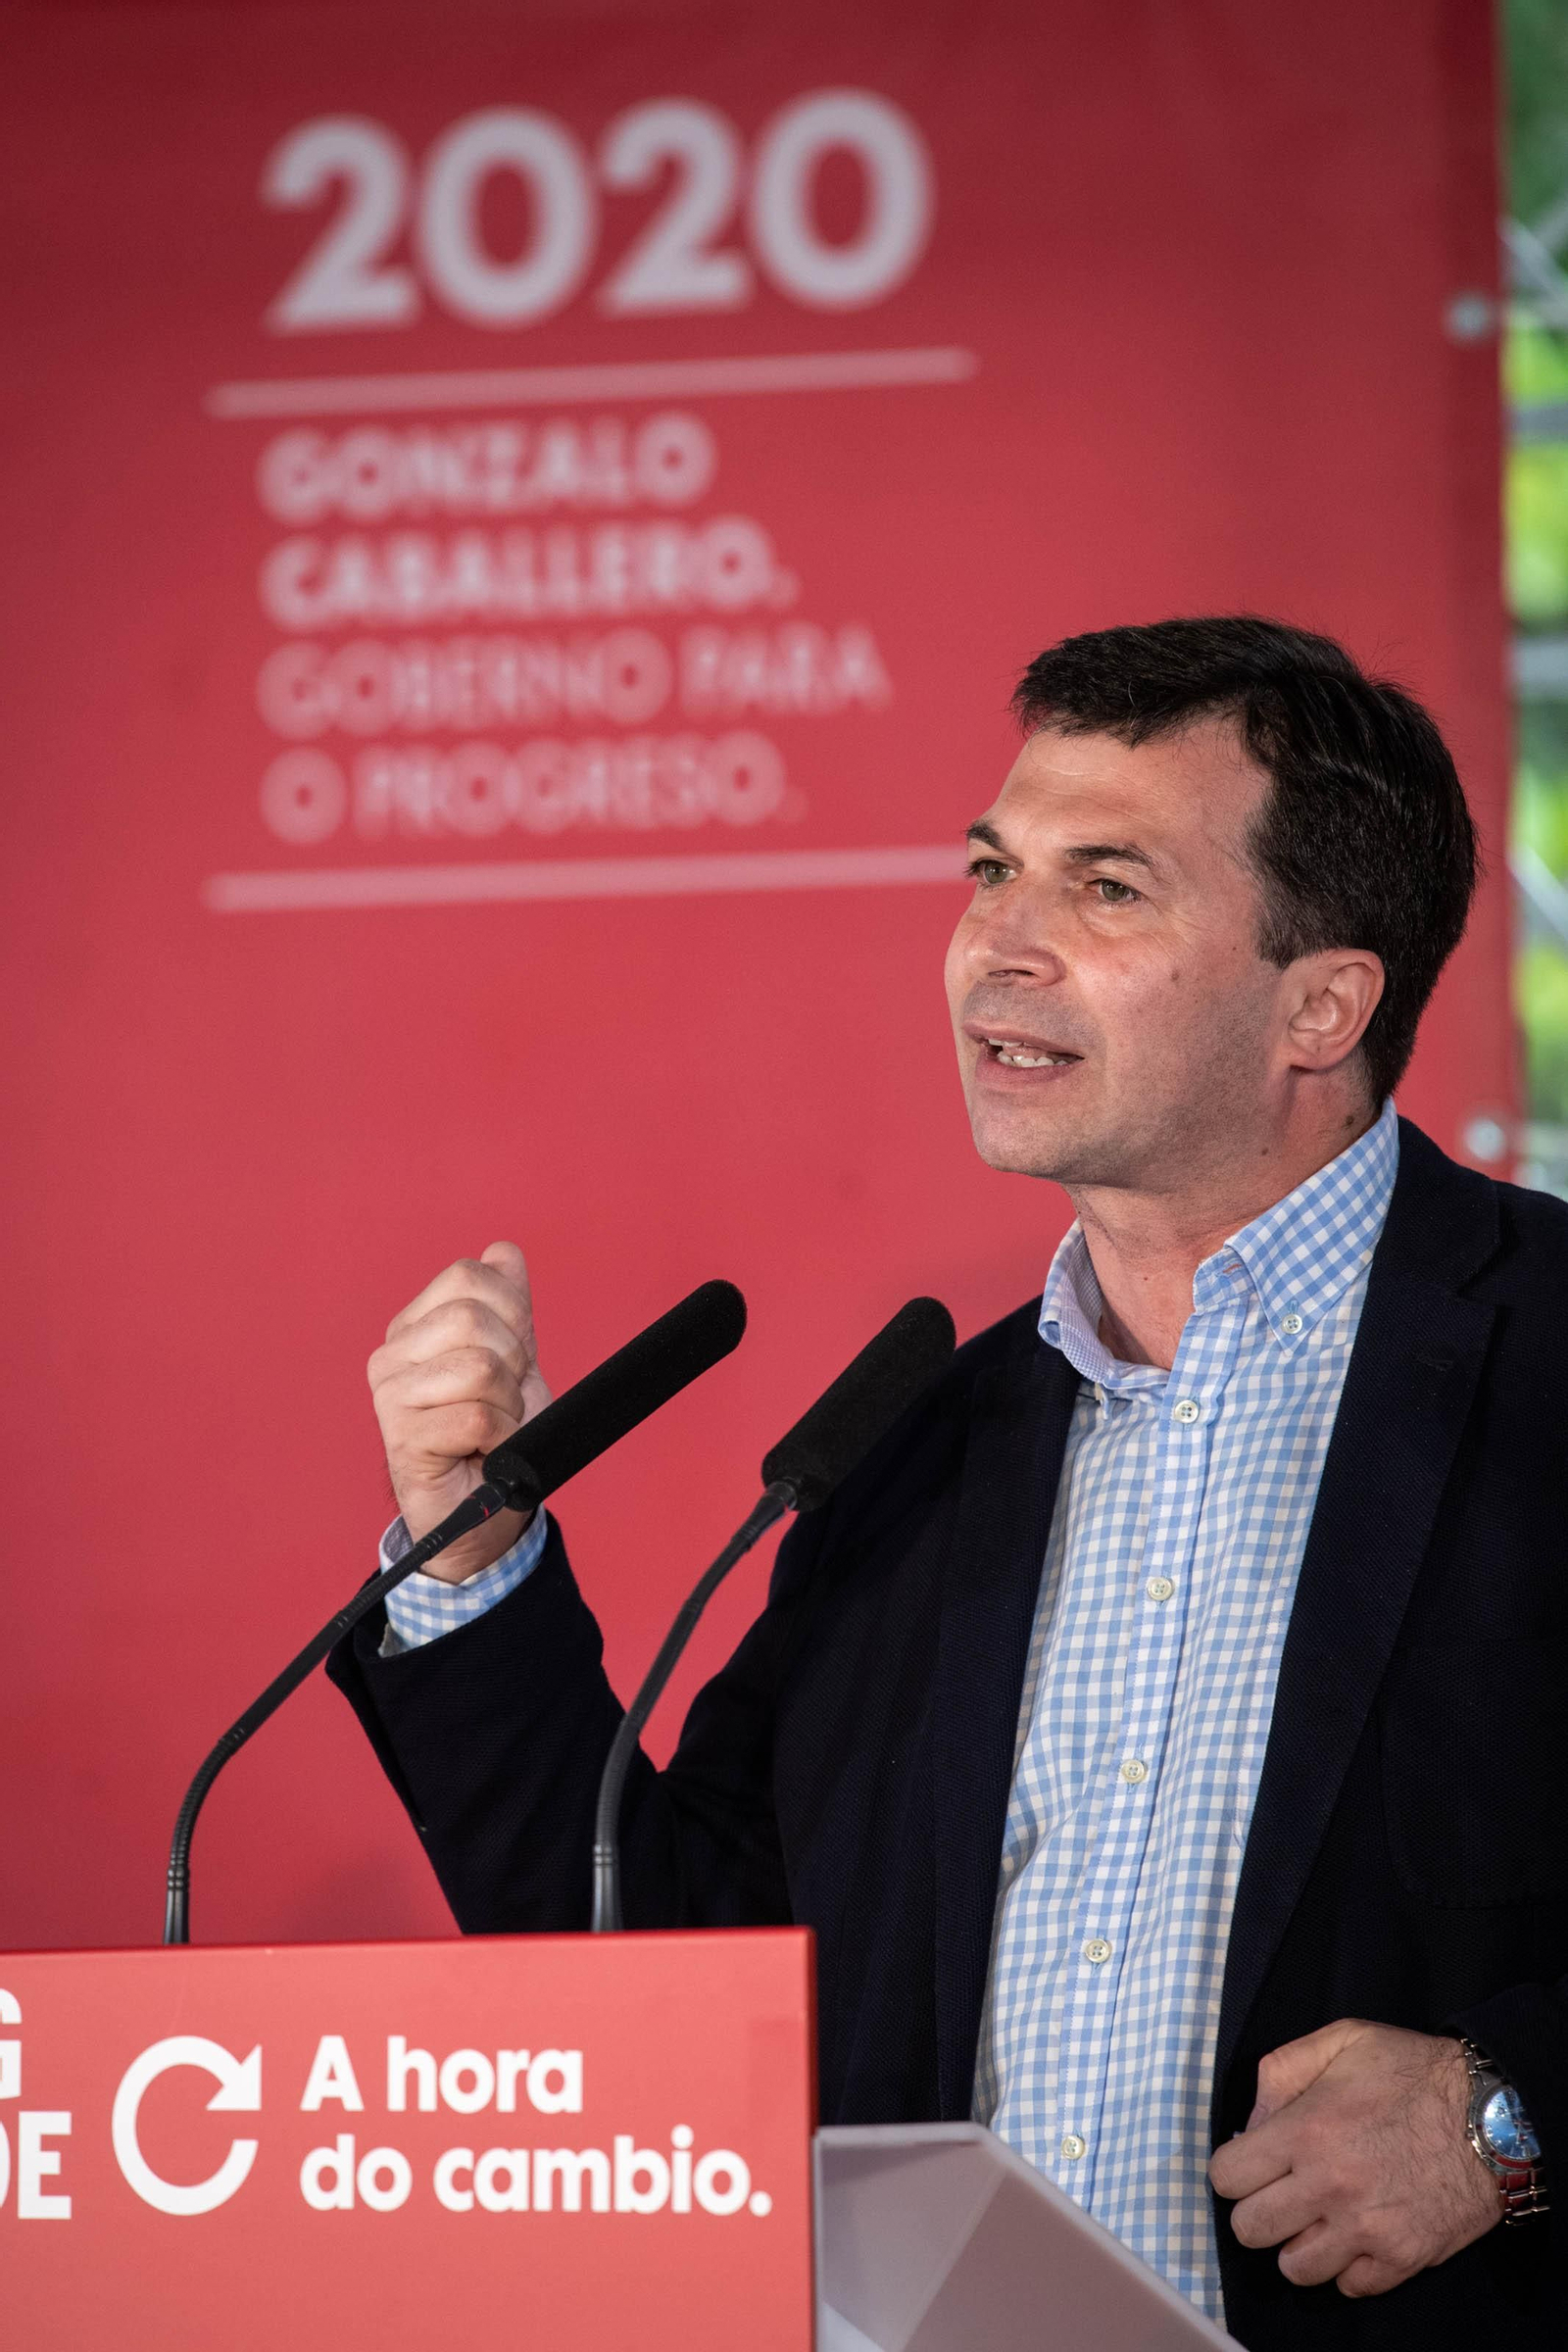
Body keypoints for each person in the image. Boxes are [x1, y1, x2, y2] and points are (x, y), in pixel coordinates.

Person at [329, 616, 1567, 2348]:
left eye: (1108, 887)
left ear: (1324, 1003)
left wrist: (1508, 2122)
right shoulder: (916, 1447)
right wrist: (473, 1558)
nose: (998, 946)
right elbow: (680, 1971)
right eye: (995, 871)